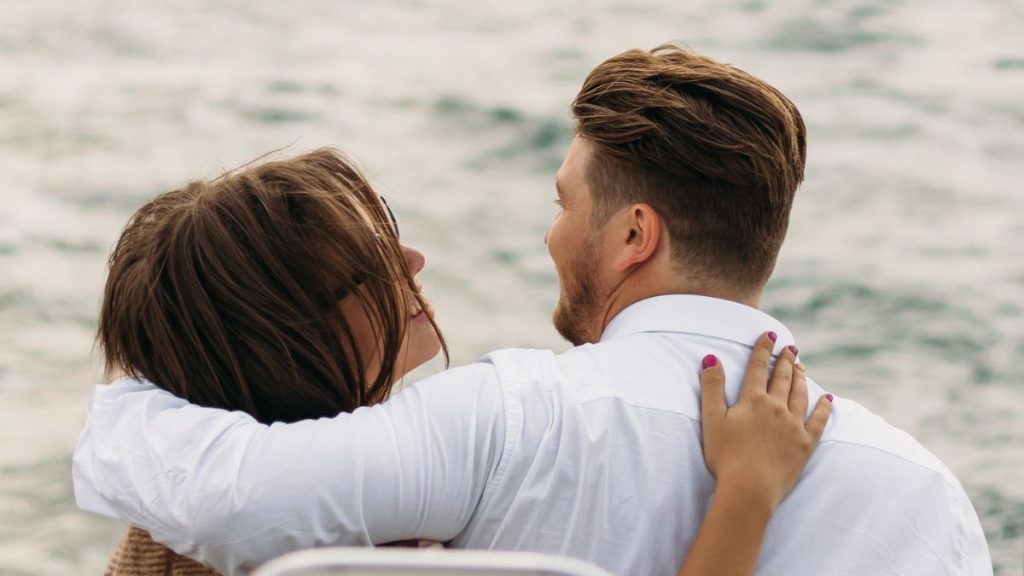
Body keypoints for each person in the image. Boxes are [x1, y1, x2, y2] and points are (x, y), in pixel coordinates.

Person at [74, 45, 992, 575]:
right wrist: (743, 495)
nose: (552, 233)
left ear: (634, 236)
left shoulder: (490, 428)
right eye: (367, 265)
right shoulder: (926, 498)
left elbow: (228, 491)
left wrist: (125, 402)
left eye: (564, 202)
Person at [87, 148, 828, 576]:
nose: (413, 257)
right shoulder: (335, 542)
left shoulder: (196, 509)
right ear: (286, 334)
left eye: (392, 232)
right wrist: (747, 492)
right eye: (367, 264)